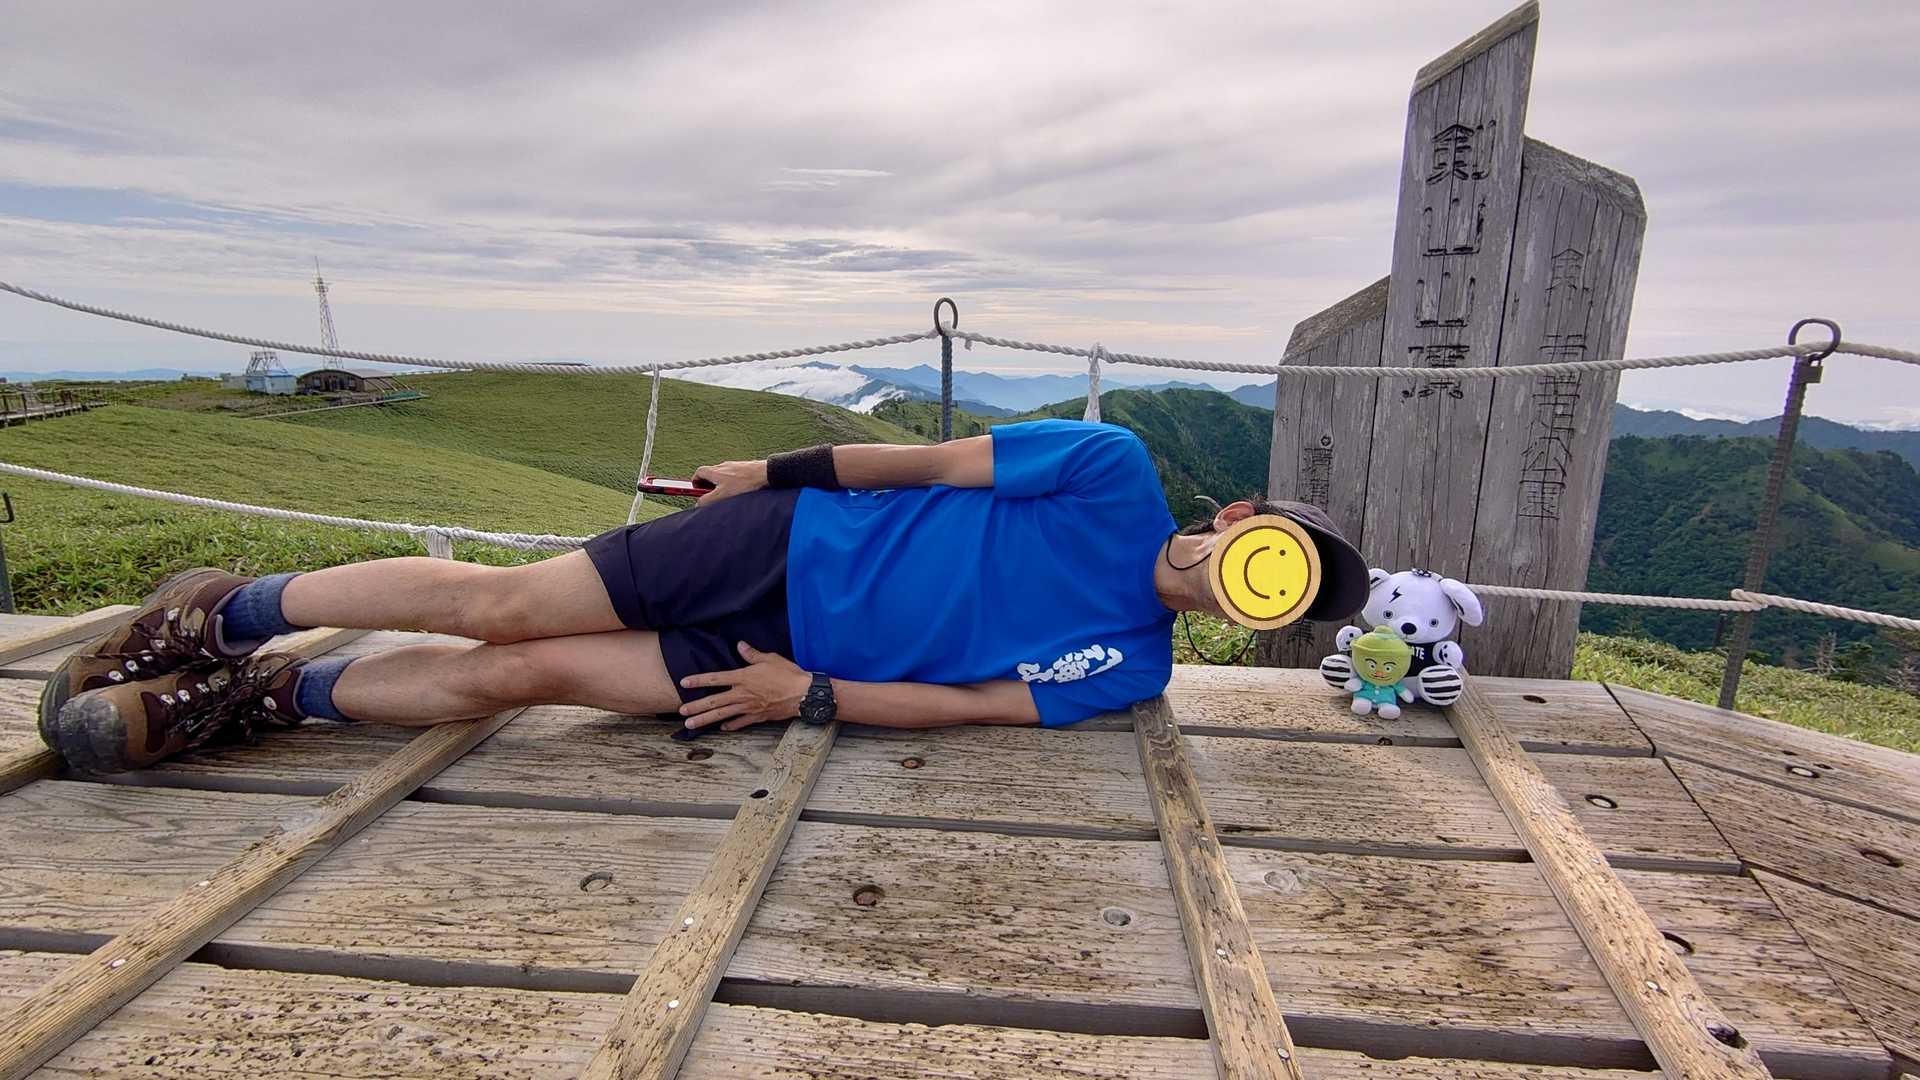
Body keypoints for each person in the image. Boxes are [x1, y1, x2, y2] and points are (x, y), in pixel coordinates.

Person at [39, 419, 1367, 774]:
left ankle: (275, 697)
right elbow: (915, 462)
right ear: (1237, 521)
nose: (1243, 587)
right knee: (509, 608)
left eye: (1275, 601)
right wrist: (766, 474)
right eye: (1266, 554)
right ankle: (221, 613)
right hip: (785, 542)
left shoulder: (1135, 664)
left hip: (788, 656)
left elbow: (973, 703)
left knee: (530, 676)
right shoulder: (1109, 466)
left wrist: (813, 695)